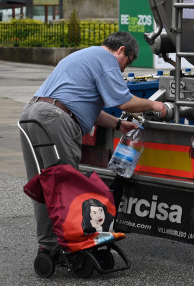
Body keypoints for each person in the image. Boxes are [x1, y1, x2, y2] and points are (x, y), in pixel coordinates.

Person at [19, 31, 168, 267]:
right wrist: (154, 104)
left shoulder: (85, 56)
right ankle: (72, 249)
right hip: (55, 118)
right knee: (67, 187)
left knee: (43, 184)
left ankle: (47, 247)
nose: (122, 71)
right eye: (126, 63)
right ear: (121, 50)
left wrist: (119, 124)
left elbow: (87, 107)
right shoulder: (106, 59)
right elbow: (125, 101)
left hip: (32, 114)